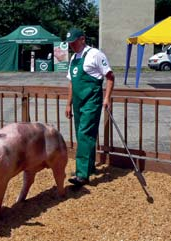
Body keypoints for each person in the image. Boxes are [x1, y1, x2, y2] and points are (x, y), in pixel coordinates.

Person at [64, 28, 115, 186]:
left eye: (73, 42)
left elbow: (110, 77)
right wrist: (68, 103)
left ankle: (81, 175)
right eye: (69, 43)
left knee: (85, 134)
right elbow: (72, 82)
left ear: (82, 39)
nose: (71, 45)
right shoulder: (74, 58)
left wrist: (107, 98)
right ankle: (89, 168)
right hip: (78, 103)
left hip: (91, 101)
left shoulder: (95, 54)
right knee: (83, 135)